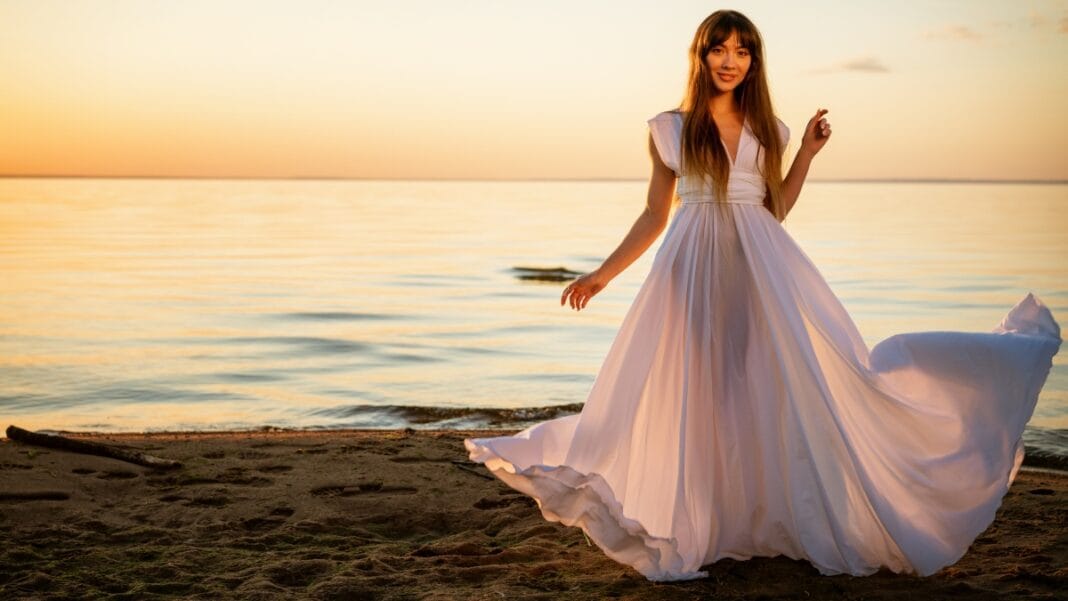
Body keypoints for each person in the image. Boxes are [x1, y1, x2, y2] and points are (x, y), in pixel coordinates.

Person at [464, 9, 1061, 582]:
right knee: (694, 392)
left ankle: (757, 515)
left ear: (754, 61)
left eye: (743, 51)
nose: (731, 60)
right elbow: (654, 214)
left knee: (761, 387)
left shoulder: (769, 130)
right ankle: (699, 525)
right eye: (719, 49)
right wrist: (602, 275)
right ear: (700, 56)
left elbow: (773, 210)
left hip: (761, 270)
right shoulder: (670, 128)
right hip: (689, 270)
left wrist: (805, 154)